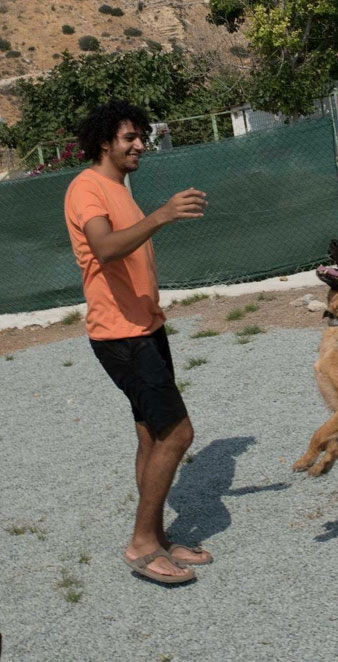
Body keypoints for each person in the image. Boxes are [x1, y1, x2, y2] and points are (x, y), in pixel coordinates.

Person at [64, 99, 211, 585]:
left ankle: (157, 535)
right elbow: (105, 248)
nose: (140, 145)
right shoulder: (87, 188)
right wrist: (162, 215)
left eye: (141, 137)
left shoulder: (117, 187)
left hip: (144, 326)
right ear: (104, 141)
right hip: (121, 334)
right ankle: (141, 544)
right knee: (178, 434)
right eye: (129, 138)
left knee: (151, 434)